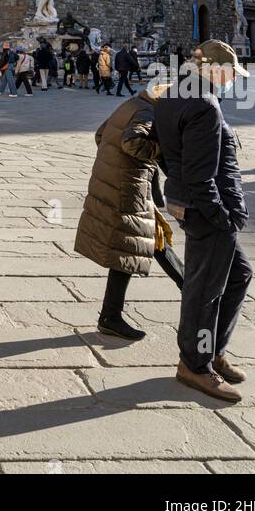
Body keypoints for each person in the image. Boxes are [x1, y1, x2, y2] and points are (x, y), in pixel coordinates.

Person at [153, 40, 252, 404]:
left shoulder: (170, 94)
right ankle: (195, 365)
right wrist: (222, 217)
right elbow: (202, 175)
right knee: (205, 291)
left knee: (238, 275)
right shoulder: (204, 106)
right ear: (211, 70)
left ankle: (213, 350)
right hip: (208, 210)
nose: (231, 80)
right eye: (228, 73)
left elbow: (166, 154)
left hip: (186, 201)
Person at [75, 84, 184, 340]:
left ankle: (187, 284)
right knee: (133, 242)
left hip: (119, 181)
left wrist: (114, 163)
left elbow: (101, 134)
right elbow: (132, 142)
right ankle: (111, 316)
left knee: (147, 239)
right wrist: (161, 150)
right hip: (127, 185)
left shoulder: (133, 104)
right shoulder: (148, 112)